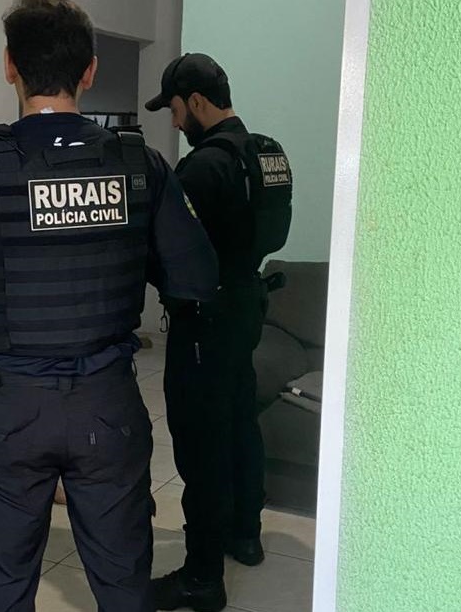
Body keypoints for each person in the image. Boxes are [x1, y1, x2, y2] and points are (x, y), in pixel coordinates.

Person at [0, 2, 219, 611]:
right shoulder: (140, 163)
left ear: (9, 67)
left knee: (1, 585)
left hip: (12, 407)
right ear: (89, 70)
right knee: (123, 582)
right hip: (108, 401)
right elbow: (197, 278)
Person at [145, 53, 294, 611]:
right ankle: (245, 535)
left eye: (175, 109)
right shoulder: (266, 152)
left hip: (204, 320)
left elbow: (164, 250)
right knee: (238, 421)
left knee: (201, 444)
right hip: (246, 304)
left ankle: (202, 577)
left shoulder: (203, 168)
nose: (175, 120)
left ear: (196, 101)